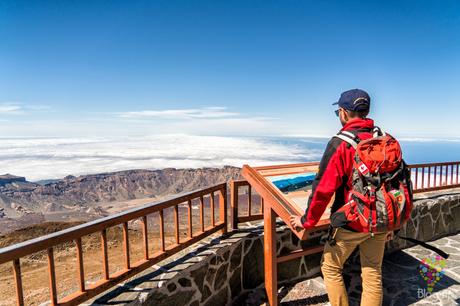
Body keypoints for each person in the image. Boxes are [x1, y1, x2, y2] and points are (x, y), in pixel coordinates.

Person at [289, 89, 392, 306]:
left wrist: (307, 221)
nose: (339, 115)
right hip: (381, 217)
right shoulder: (381, 138)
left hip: (353, 220)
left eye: (338, 111)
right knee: (372, 271)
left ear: (344, 113)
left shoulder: (341, 143)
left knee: (331, 267)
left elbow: (322, 189)